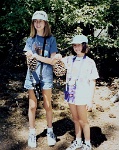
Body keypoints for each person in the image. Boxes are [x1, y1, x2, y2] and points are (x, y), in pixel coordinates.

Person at [54, 35, 99, 150]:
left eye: (79, 45)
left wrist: (90, 100)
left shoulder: (90, 62)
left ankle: (87, 143)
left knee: (83, 120)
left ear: (84, 46)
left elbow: (93, 81)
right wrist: (57, 56)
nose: (76, 47)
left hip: (82, 95)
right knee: (75, 119)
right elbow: (55, 61)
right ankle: (78, 141)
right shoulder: (69, 59)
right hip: (71, 94)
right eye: (74, 45)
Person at [23, 10, 58, 148]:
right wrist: (29, 56)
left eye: (40, 21)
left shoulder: (51, 39)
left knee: (47, 105)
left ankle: (50, 131)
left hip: (47, 77)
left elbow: (53, 61)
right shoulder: (30, 40)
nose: (38, 23)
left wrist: (36, 57)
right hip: (32, 77)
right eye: (35, 21)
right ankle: (32, 132)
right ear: (33, 24)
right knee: (32, 106)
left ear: (45, 23)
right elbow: (28, 56)